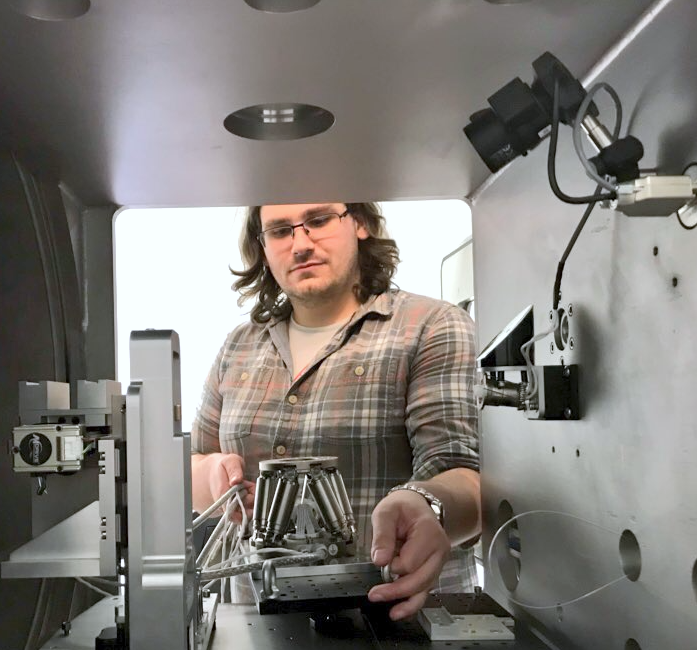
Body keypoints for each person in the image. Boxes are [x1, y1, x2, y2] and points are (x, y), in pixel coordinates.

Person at [190, 202, 480, 621]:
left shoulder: (431, 326)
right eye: (280, 231)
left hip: (399, 623)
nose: (300, 244)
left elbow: (463, 473)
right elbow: (195, 464)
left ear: (359, 223)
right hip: (259, 626)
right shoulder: (239, 345)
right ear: (263, 246)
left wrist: (423, 503)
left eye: (319, 221)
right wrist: (215, 477)